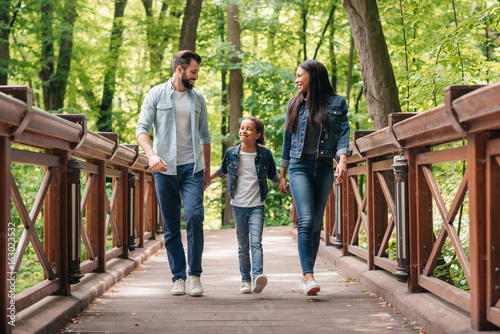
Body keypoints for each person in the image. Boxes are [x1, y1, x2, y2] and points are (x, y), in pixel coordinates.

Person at [136, 50, 211, 297]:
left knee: (194, 216)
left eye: (197, 72)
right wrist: (151, 155)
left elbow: (205, 136)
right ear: (179, 69)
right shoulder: (155, 94)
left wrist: (207, 171)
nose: (196, 76)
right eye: (193, 71)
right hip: (164, 168)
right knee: (170, 225)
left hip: (193, 168)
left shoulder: (198, 98)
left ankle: (195, 275)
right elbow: (142, 130)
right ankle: (178, 277)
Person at [279, 59, 351, 296]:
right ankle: (308, 275)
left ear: (314, 75)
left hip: (324, 168)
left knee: (317, 224)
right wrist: (282, 173)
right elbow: (287, 140)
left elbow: (343, 134)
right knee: (307, 221)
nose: (297, 80)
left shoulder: (337, 103)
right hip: (299, 166)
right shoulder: (295, 103)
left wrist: (342, 159)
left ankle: (305, 277)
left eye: (300, 75)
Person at [211, 116, 282, 294]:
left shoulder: (265, 154)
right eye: (242, 128)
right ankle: (245, 280)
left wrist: (283, 183)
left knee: (256, 242)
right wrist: (207, 179)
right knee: (243, 245)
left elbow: (273, 175)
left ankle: (258, 276)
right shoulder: (231, 153)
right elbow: (222, 170)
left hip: (257, 204)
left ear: (257, 135)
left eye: (249, 129)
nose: (243, 131)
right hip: (238, 205)